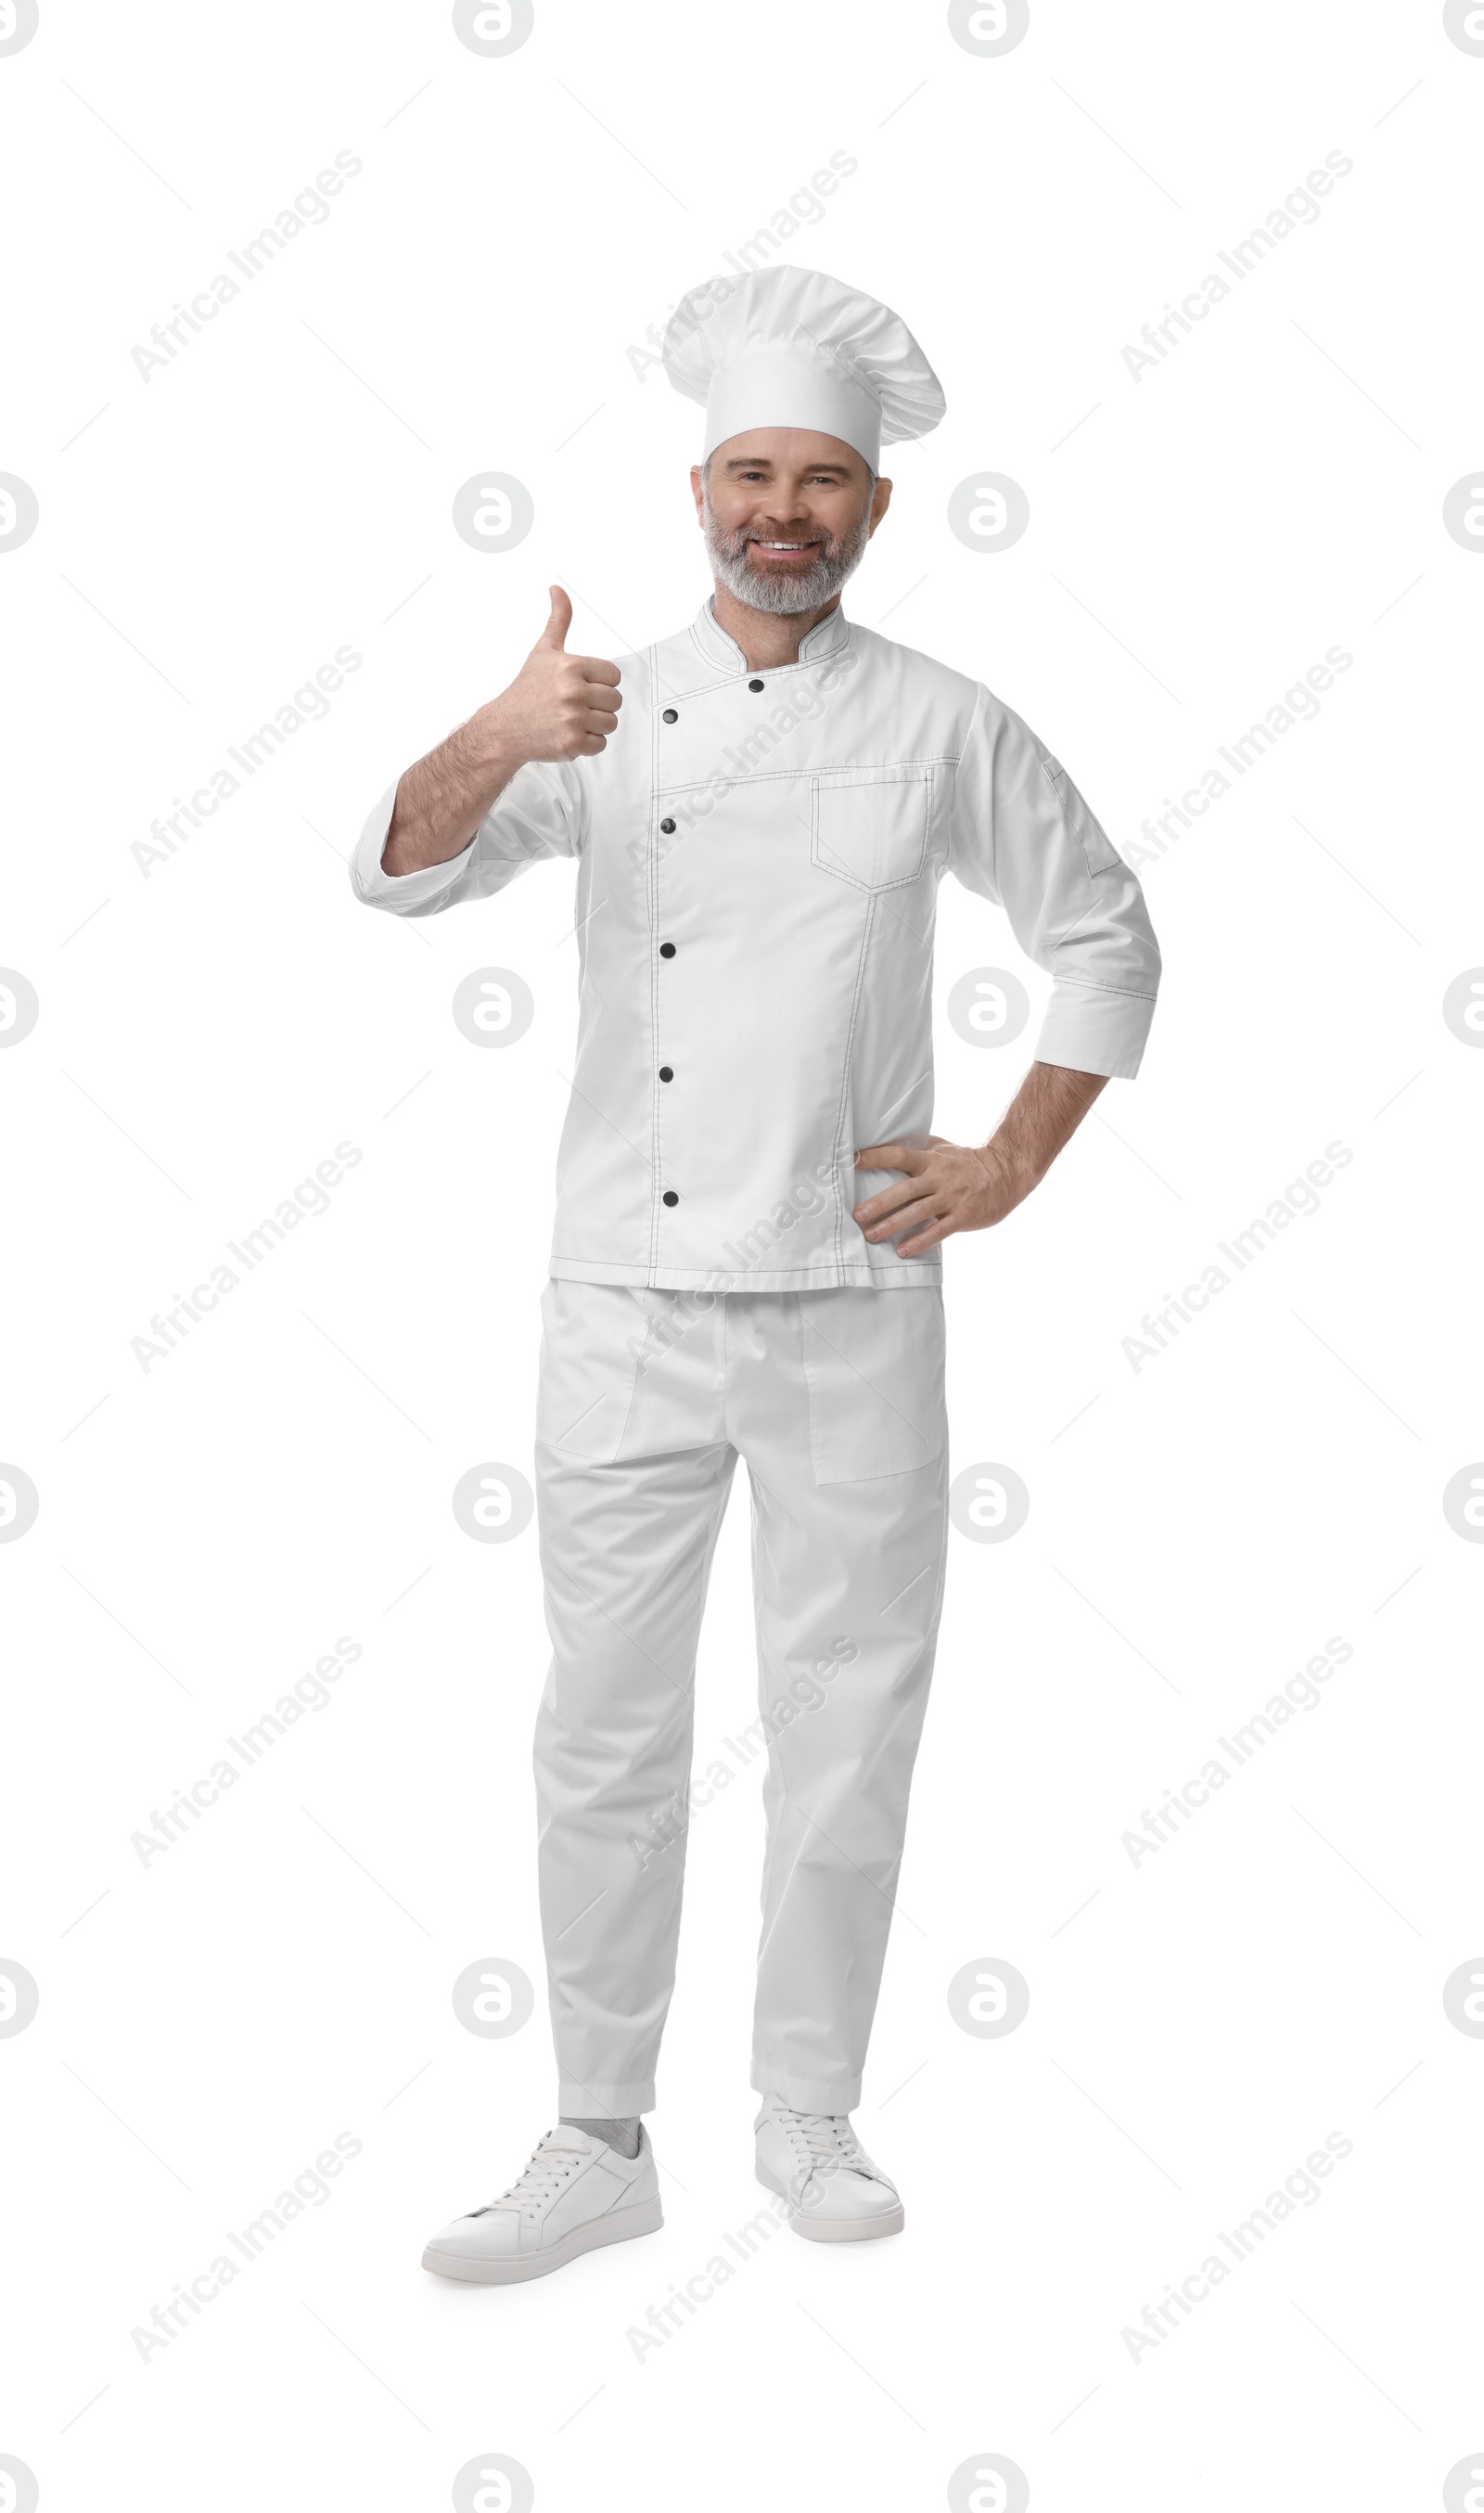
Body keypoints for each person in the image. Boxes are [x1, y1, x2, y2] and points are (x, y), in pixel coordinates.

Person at [350, 265, 1160, 2284]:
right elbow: (393, 868)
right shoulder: (596, 709)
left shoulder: (943, 721)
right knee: (603, 1729)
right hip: (619, 1297)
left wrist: (1006, 1163)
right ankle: (593, 2134)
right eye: (745, 473)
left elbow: (1109, 939)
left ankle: (806, 2106)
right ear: (694, 487)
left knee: (845, 1718)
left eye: (816, 479)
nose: (777, 510)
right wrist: (489, 724)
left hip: (850, 1299)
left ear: (873, 509)